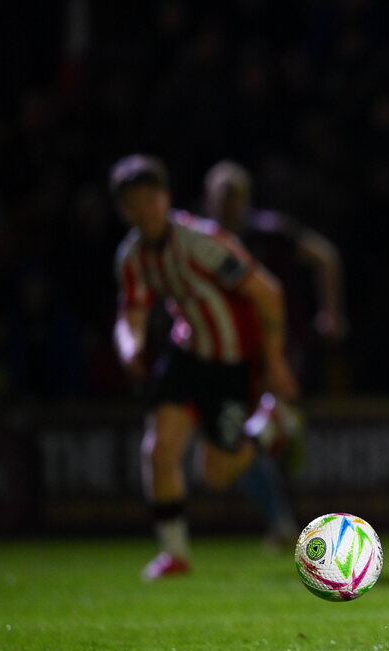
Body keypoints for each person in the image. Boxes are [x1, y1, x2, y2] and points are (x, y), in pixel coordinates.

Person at [111, 154, 297, 580]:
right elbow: (132, 315)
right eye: (132, 203)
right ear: (124, 210)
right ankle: (174, 554)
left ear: (165, 198)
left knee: (216, 473)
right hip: (188, 353)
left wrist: (273, 361)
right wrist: (129, 348)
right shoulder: (132, 257)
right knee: (158, 448)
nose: (143, 210)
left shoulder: (202, 241)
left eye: (149, 199)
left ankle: (267, 425)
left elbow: (268, 292)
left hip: (233, 364)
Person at [203, 160, 350, 548]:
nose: (228, 208)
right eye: (221, 201)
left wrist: (330, 311)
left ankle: (281, 516)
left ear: (246, 201)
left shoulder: (270, 232)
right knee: (235, 443)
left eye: (234, 200)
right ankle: (281, 432)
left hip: (279, 350)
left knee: (246, 435)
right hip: (228, 355)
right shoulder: (203, 242)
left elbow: (324, 256)